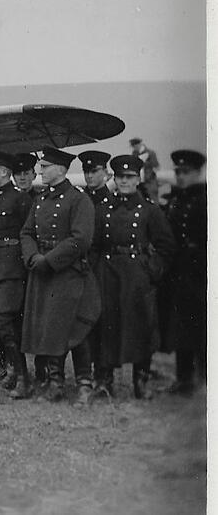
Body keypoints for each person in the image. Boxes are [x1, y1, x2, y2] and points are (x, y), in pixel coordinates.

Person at [20, 147, 100, 404]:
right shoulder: (40, 200)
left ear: (62, 170)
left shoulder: (79, 200)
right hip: (43, 274)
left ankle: (84, 384)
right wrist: (33, 257)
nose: (40, 171)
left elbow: (81, 239)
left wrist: (49, 260)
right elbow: (27, 233)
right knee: (49, 327)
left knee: (75, 329)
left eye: (45, 167)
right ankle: (55, 383)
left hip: (68, 275)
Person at [90, 155, 175, 399]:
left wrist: (150, 270)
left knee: (141, 327)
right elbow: (93, 246)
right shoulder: (102, 209)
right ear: (114, 179)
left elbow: (166, 246)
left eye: (129, 177)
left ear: (138, 179)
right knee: (106, 327)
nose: (124, 181)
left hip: (137, 277)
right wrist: (97, 272)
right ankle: (104, 381)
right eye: (120, 177)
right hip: (107, 275)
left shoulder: (149, 211)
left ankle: (142, 382)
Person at [0, 152, 33, 397]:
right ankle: (15, 369)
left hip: (13, 268)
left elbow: (28, 234)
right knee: (0, 322)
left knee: (5, 320)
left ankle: (22, 375)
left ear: (4, 171)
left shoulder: (20, 199)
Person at [160, 150, 206, 395]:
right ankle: (184, 378)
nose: (181, 176)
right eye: (178, 172)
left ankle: (206, 380)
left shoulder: (206, 198)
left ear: (198, 172)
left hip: (201, 271)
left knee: (204, 329)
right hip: (179, 272)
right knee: (181, 328)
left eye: (186, 172)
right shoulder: (177, 200)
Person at [129, 137, 160, 202]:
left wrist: (146, 164)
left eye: (135, 146)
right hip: (139, 182)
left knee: (153, 200)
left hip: (149, 182)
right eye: (133, 146)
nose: (134, 148)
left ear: (139, 144)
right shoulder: (134, 153)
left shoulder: (150, 153)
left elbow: (156, 165)